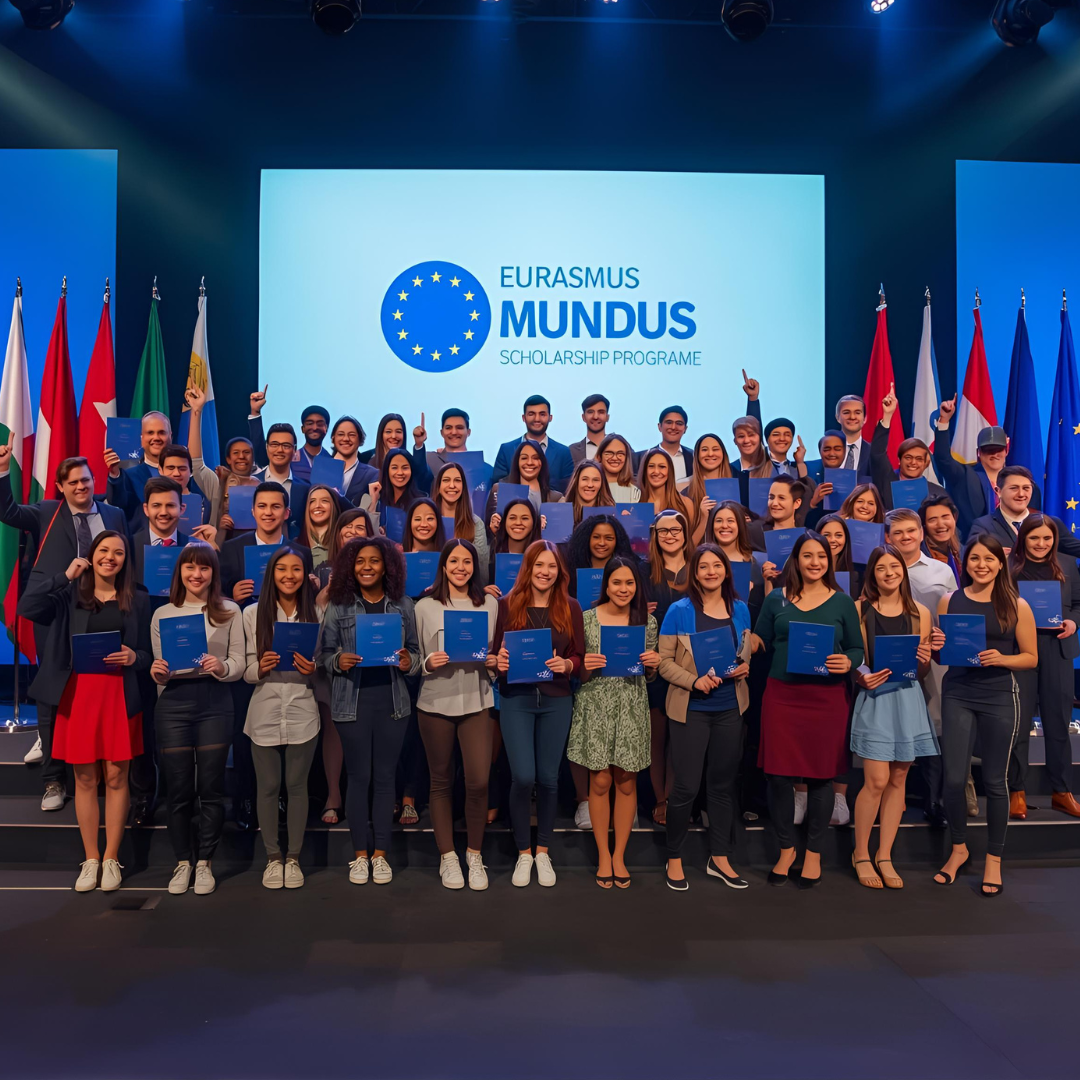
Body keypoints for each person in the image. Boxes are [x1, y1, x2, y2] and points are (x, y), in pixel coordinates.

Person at [20, 531, 151, 892]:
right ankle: (90, 857)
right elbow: (26, 607)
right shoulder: (70, 594)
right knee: (84, 780)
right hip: (78, 695)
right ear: (91, 555)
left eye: (119, 553)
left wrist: (133, 657)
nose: (111, 557)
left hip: (120, 696)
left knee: (116, 778)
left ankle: (111, 857)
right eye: (104, 551)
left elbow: (149, 654)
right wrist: (64, 575)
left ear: (126, 559)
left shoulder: (137, 598)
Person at [0, 449, 128, 813]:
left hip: (105, 613)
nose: (81, 487)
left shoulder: (114, 514)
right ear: (60, 487)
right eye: (72, 483)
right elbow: (7, 511)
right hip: (58, 612)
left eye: (86, 480)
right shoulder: (45, 511)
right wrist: (3, 470)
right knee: (52, 691)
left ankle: (108, 771)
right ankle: (53, 779)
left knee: (104, 690)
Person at [753, 531, 863, 888]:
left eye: (821, 556)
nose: (815, 562)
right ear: (796, 560)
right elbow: (760, 641)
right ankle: (786, 848)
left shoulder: (842, 602)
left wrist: (847, 663)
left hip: (827, 699)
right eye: (807, 556)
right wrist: (738, 635)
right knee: (779, 776)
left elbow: (857, 650)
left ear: (829, 561)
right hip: (782, 696)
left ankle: (813, 852)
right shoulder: (775, 599)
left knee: (820, 776)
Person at [932, 534, 1037, 896]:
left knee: (995, 781)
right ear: (967, 563)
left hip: (999, 695)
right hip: (958, 692)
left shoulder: (1016, 604)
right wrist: (936, 647)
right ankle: (958, 849)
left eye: (989, 559)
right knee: (954, 780)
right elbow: (942, 657)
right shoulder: (950, 600)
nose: (982, 565)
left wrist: (1002, 658)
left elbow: (1030, 657)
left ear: (999, 563)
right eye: (975, 558)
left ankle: (994, 858)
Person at [318, 536, 419, 886]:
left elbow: (416, 653)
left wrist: (409, 661)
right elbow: (322, 654)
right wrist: (337, 661)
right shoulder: (339, 605)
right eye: (360, 561)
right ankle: (360, 856)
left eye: (374, 561)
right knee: (359, 778)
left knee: (385, 779)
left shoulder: (403, 605)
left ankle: (381, 855)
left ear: (386, 565)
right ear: (351, 565)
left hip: (393, 703)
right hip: (351, 703)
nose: (367, 567)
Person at [151, 543, 245, 896]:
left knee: (211, 786)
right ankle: (182, 862)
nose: (197, 574)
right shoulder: (163, 614)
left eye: (204, 568)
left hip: (215, 701)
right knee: (178, 790)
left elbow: (239, 663)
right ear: (180, 573)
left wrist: (222, 667)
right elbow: (161, 668)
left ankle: (205, 862)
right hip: (174, 703)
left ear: (213, 573)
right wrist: (157, 672)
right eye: (190, 568)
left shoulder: (229, 611)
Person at [659, 544, 752, 891]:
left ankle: (720, 856)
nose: (711, 571)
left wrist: (745, 666)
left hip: (731, 708)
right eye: (703, 567)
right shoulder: (678, 611)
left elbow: (744, 652)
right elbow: (664, 661)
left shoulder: (740, 609)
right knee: (685, 787)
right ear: (694, 573)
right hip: (691, 709)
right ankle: (674, 856)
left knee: (723, 786)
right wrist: (694, 680)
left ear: (726, 571)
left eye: (717, 566)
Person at [492, 540, 584, 887]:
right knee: (524, 777)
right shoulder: (507, 604)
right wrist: (499, 663)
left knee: (548, 778)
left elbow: (579, 657)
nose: (545, 572)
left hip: (557, 700)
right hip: (516, 700)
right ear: (527, 568)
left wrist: (567, 663)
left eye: (552, 566)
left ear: (560, 571)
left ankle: (542, 851)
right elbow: (495, 655)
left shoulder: (570, 606)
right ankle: (523, 853)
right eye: (539, 565)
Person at [569, 556, 659, 889]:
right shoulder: (587, 619)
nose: (623, 589)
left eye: (629, 583)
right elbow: (575, 668)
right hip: (595, 704)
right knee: (601, 781)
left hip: (631, 706)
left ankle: (619, 854)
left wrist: (653, 665)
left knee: (626, 781)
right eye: (617, 582)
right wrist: (585, 666)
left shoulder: (646, 622)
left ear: (638, 586)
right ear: (606, 584)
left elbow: (649, 675)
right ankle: (603, 854)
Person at [414, 539, 499, 890]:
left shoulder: (491, 604)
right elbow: (413, 657)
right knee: (441, 781)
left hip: (478, 701)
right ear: (444, 566)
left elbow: (494, 654)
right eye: (454, 561)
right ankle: (448, 857)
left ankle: (474, 855)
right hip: (435, 702)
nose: (461, 567)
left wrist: (493, 664)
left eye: (467, 561)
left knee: (478, 781)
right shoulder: (424, 606)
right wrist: (427, 663)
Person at [850, 545, 937, 889]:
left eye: (894, 566)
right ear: (872, 573)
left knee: (899, 780)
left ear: (903, 570)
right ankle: (860, 853)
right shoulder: (859, 609)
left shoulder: (921, 613)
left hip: (908, 698)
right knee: (875, 781)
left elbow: (924, 668)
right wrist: (861, 675)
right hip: (875, 698)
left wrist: (926, 657)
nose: (889, 573)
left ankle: (884, 854)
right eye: (881, 568)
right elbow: (854, 657)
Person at [242, 545, 321, 890]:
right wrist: (258, 668)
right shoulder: (253, 613)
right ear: (271, 573)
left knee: (297, 785)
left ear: (306, 575)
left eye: (297, 570)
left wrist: (314, 668)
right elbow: (243, 668)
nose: (289, 576)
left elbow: (324, 664)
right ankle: (273, 858)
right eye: (282, 569)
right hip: (265, 710)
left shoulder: (317, 611)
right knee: (269, 787)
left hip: (303, 710)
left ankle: (294, 858)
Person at [884, 508, 960, 828]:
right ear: (888, 537)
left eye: (911, 531)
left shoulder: (941, 570)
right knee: (893, 722)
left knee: (936, 724)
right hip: (891, 657)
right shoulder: (881, 568)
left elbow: (953, 614)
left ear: (921, 533)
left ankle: (934, 800)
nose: (906, 537)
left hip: (933, 657)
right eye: (898, 533)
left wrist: (946, 640)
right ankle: (893, 797)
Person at [1007, 515, 1080, 819]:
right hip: (1021, 649)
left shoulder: (1067, 563)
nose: (1040, 544)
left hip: (1057, 649)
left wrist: (1074, 622)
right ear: (1023, 538)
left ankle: (1062, 792)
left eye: (1046, 538)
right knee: (1019, 723)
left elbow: (1077, 604)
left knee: (1058, 723)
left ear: (1055, 539)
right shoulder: (1009, 567)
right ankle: (1017, 791)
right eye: (1034, 538)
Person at [644, 509, 694, 825]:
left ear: (685, 533)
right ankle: (659, 799)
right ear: (655, 535)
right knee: (657, 739)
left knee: (680, 740)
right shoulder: (644, 571)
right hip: (652, 663)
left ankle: (675, 799)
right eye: (663, 531)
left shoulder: (698, 569)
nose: (670, 535)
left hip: (687, 664)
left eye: (676, 529)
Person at [933, 402, 1042, 536]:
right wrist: (944, 420)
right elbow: (942, 458)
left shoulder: (1026, 484)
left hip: (1016, 550)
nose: (994, 454)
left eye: (998, 450)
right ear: (978, 452)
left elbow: (1034, 521)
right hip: (976, 548)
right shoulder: (964, 476)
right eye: (988, 450)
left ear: (1006, 450)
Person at [219, 482, 313, 607]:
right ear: (253, 511)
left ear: (286, 513)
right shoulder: (230, 549)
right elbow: (219, 593)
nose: (268, 512)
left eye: (275, 506)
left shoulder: (302, 553)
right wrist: (232, 595)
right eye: (262, 506)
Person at [968, 465, 1080, 557]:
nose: (1021, 494)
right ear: (998, 491)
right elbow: (970, 556)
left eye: (1026, 488)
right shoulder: (983, 526)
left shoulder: (1052, 523)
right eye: (1014, 488)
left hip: (1044, 583)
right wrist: (990, 555)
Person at [871, 385, 947, 509]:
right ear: (899, 460)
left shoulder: (937, 493)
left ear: (926, 464)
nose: (913, 462)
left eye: (919, 459)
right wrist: (887, 416)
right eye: (908, 457)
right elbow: (877, 453)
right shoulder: (887, 482)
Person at [247, 386, 333, 484]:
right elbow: (261, 457)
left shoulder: (332, 463)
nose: (314, 427)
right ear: (302, 429)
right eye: (309, 423)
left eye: (320, 424)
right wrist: (255, 413)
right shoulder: (289, 455)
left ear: (326, 428)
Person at [491, 394, 573, 493]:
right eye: (531, 414)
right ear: (523, 417)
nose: (537, 419)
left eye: (542, 414)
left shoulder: (563, 452)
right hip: (514, 507)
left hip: (551, 507)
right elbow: (498, 490)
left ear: (550, 418)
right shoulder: (506, 449)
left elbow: (568, 491)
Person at [102, 410, 173, 525]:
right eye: (150, 433)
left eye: (161, 432)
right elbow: (117, 504)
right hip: (141, 541)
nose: (156, 437)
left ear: (170, 436)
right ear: (141, 438)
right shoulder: (128, 475)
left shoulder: (182, 472)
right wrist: (114, 474)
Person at [248, 419, 311, 537]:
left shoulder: (305, 489)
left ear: (294, 450)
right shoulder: (250, 484)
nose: (280, 450)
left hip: (294, 550)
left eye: (286, 445)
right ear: (267, 447)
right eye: (274, 444)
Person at [485, 440, 561, 532]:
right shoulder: (499, 490)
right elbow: (488, 532)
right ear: (517, 462)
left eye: (535, 458)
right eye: (524, 458)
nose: (529, 462)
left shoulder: (556, 498)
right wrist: (494, 528)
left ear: (542, 463)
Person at [706, 501, 767, 613]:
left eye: (730, 521)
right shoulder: (702, 562)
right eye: (719, 521)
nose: (724, 525)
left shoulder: (753, 565)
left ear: (740, 525)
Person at [432, 461, 488, 575]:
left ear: (463, 487)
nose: (452, 485)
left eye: (457, 480)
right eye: (446, 480)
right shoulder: (428, 521)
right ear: (438, 486)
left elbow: (482, 569)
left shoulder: (476, 523)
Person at [360, 412, 433, 492]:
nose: (394, 436)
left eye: (398, 431)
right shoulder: (365, 459)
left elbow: (424, 480)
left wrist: (419, 444)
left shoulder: (411, 462)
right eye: (388, 432)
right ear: (381, 434)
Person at [684, 433, 735, 544]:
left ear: (723, 454)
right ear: (697, 455)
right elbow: (688, 546)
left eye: (715, 449)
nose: (710, 454)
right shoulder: (687, 495)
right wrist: (703, 517)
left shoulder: (738, 487)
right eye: (704, 450)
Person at [486, 498, 542, 596]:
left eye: (525, 518)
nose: (518, 522)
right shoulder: (492, 550)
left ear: (534, 522)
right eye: (512, 518)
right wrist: (485, 591)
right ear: (504, 522)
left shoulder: (541, 554)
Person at [328, 415, 380, 508]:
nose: (346, 439)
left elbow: (367, 511)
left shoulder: (371, 475)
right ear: (333, 439)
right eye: (340, 434)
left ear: (360, 440)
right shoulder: (321, 469)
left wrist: (338, 496)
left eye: (351, 435)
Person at [637, 447, 695, 520]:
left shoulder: (686, 504)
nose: (656, 472)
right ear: (644, 470)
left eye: (662, 467)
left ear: (669, 471)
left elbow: (692, 531)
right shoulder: (635, 503)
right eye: (651, 466)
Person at [920, 495, 963, 584]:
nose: (940, 524)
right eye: (932, 520)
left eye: (945, 517)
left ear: (954, 518)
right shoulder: (920, 558)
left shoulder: (963, 552)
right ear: (924, 525)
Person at [297, 485, 342, 569]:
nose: (317, 505)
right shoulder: (295, 545)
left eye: (324, 501)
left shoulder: (342, 542)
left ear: (334, 507)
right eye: (312, 501)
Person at [560, 460, 615, 525]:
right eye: (585, 479)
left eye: (595, 480)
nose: (590, 485)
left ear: (602, 484)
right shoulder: (562, 511)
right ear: (576, 482)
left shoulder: (613, 514)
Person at [650, 406, 694, 484]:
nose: (673, 427)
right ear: (659, 426)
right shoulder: (643, 458)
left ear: (685, 429)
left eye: (679, 423)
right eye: (669, 422)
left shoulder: (693, 457)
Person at [570, 393, 617, 465]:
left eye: (601, 412)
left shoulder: (620, 447)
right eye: (590, 412)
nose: (595, 417)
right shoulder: (572, 451)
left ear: (607, 417)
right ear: (583, 417)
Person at [834, 394, 873, 477]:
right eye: (846, 412)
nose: (852, 417)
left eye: (857, 412)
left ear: (865, 418)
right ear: (837, 418)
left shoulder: (873, 452)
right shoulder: (827, 449)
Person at [595, 434, 640, 503]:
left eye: (620, 454)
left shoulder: (635, 491)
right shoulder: (590, 487)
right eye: (609, 453)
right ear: (599, 457)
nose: (615, 458)